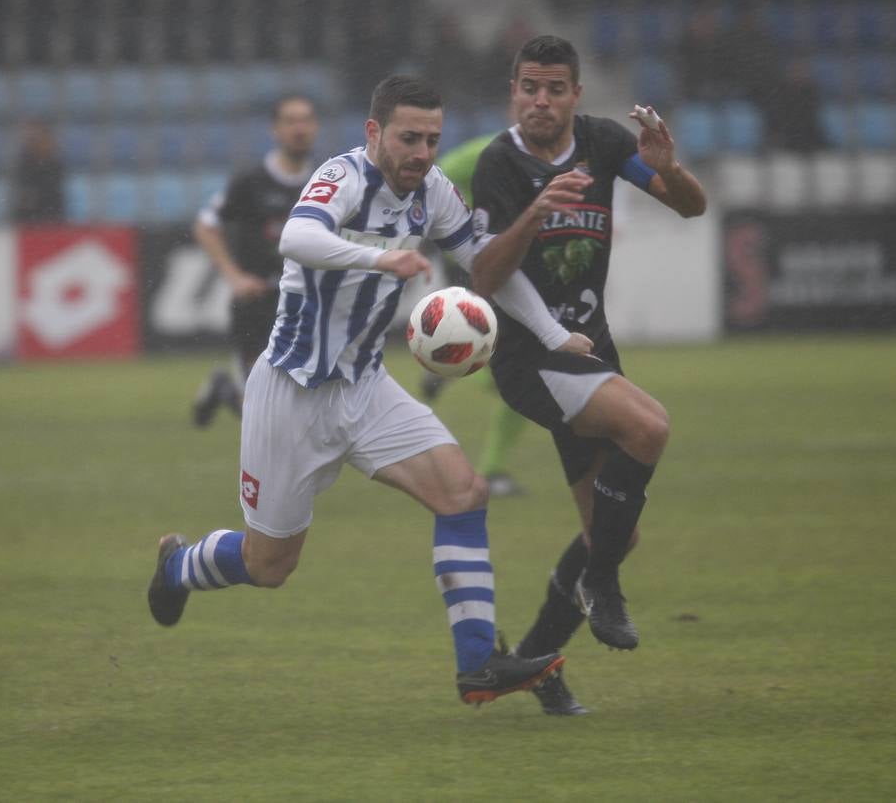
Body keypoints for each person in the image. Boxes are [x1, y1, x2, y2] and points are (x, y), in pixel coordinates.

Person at [148, 75, 576, 705]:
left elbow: (485, 265)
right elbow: (298, 236)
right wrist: (381, 259)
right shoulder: (343, 176)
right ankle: (178, 567)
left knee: (463, 492)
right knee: (271, 566)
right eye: (408, 138)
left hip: (367, 387)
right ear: (375, 132)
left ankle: (479, 664)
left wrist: (551, 332)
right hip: (291, 391)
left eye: (432, 139)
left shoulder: (434, 193)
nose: (422, 153)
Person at [469, 36, 707, 714]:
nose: (540, 101)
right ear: (513, 91)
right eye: (529, 88)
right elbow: (484, 277)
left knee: (615, 530)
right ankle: (602, 586)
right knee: (650, 427)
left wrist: (671, 169)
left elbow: (691, 207)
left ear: (576, 94)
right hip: (530, 360)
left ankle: (528, 666)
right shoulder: (499, 163)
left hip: (588, 350)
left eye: (555, 89)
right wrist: (534, 214)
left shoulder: (602, 143)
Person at [191, 95, 319, 427]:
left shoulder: (324, 180)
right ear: (275, 130)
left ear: (315, 127)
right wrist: (234, 277)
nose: (299, 128)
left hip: (305, 308)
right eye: (291, 121)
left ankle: (227, 388)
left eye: (305, 120)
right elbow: (206, 226)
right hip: (256, 305)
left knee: (296, 407)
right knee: (260, 413)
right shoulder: (251, 182)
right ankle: (228, 388)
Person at [422, 132, 534, 499]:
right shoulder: (489, 150)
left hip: (511, 263)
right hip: (475, 261)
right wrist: (465, 226)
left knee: (512, 369)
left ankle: (449, 366)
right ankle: (491, 470)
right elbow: (440, 176)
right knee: (519, 372)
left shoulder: (548, 162)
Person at [9, 120, 65, 224]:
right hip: (28, 216)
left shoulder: (54, 163)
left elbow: (54, 191)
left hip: (50, 214)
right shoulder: (24, 162)